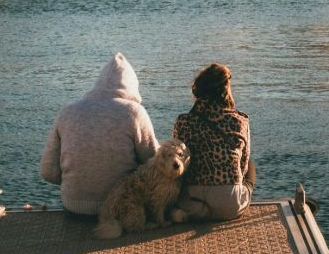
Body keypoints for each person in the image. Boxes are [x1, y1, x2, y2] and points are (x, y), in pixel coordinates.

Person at [40, 53, 159, 218]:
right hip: (121, 208)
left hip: (74, 208)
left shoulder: (67, 112)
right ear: (132, 86)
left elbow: (48, 172)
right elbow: (155, 164)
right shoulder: (133, 112)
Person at [172, 63, 255, 221]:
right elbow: (243, 168)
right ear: (226, 89)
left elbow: (177, 164)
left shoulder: (183, 121)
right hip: (230, 205)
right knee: (251, 166)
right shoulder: (240, 121)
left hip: (191, 203)